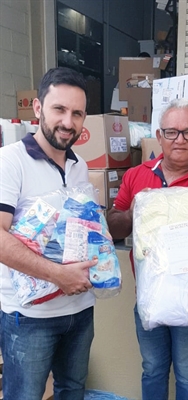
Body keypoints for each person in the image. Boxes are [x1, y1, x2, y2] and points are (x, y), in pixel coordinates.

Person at [107, 98, 188, 400]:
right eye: (171, 132)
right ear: (159, 136)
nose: (180, 139)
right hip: (150, 295)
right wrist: (129, 214)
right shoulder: (136, 176)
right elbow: (112, 228)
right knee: (152, 367)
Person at [0, 67, 98, 399]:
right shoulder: (10, 162)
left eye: (77, 113)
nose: (68, 122)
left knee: (73, 391)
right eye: (59, 109)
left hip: (80, 310)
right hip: (29, 316)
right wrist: (59, 275)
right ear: (38, 108)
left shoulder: (80, 166)